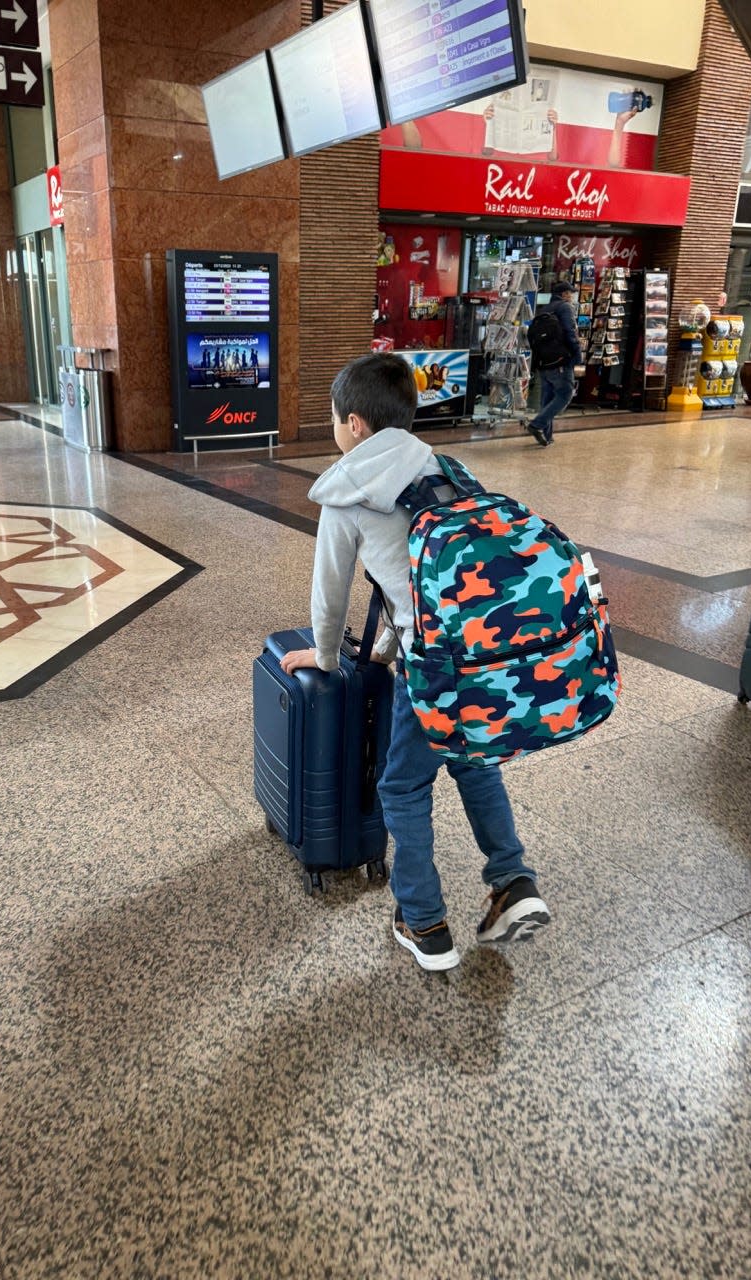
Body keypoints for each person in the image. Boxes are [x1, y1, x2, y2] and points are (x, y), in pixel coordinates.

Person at [279, 354, 550, 972]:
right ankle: (513, 882)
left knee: (402, 785)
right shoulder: (445, 468)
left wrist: (322, 658)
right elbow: (432, 580)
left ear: (353, 424)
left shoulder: (348, 491)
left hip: (428, 670)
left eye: (332, 421)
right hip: (484, 657)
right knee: (475, 765)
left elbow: (331, 594)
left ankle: (423, 922)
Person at [526, 280, 583, 447]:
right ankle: (537, 425)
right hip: (560, 360)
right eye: (570, 293)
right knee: (565, 394)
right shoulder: (565, 307)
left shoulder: (544, 310)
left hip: (544, 361)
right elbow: (570, 332)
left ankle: (546, 435)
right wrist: (577, 356)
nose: (572, 296)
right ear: (565, 294)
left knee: (548, 397)